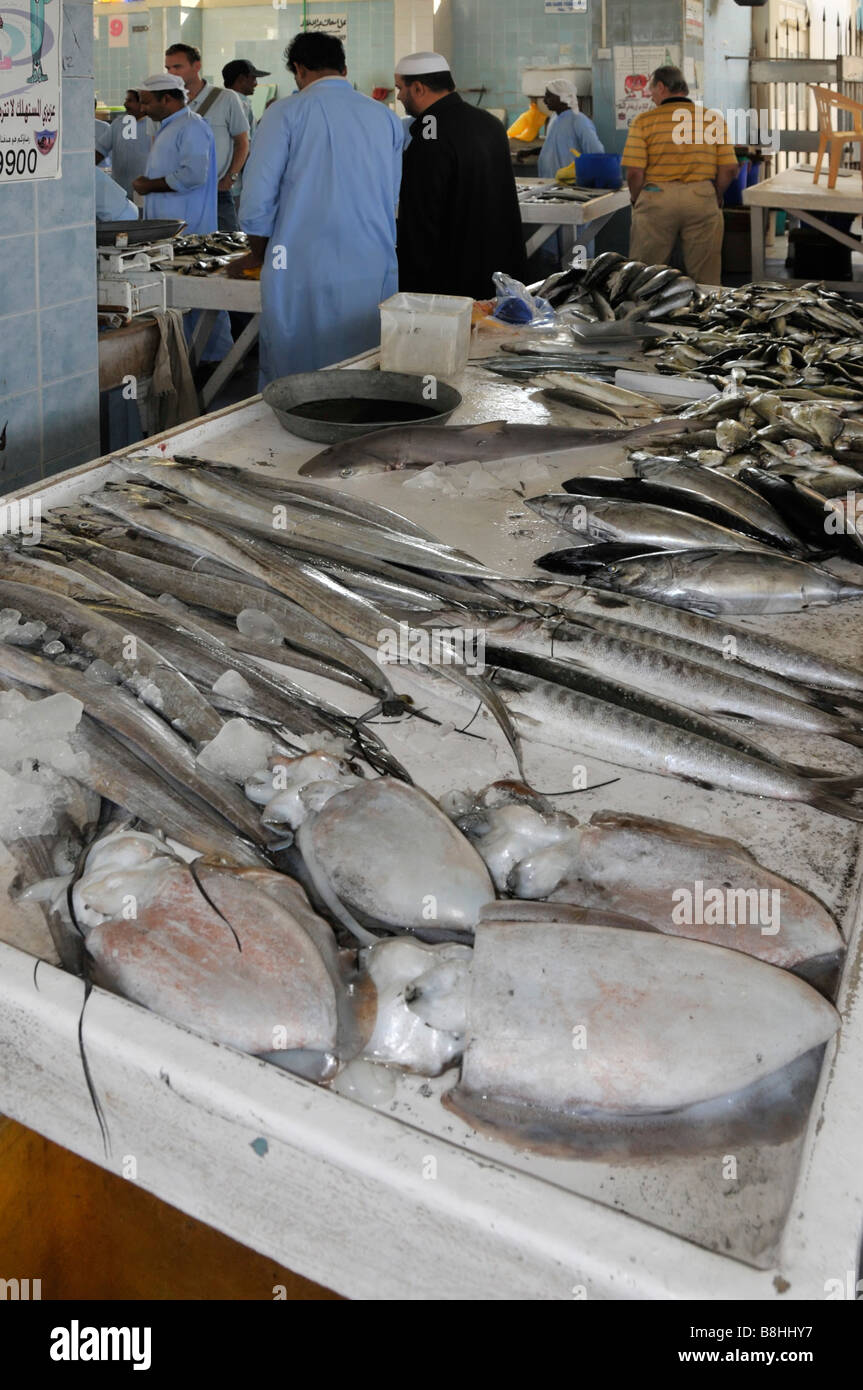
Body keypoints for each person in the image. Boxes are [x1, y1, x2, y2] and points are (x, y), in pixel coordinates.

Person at [231, 31, 404, 386]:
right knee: (364, 365)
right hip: (371, 259)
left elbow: (257, 198)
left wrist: (256, 255)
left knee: (300, 373)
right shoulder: (384, 117)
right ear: (344, 67)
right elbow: (393, 193)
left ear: (299, 68)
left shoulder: (284, 114)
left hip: (303, 264)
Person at [395, 52, 526, 299]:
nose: (399, 96)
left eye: (400, 88)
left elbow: (421, 220)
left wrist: (411, 285)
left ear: (419, 88)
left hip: (451, 284)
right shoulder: (490, 124)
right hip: (499, 276)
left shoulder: (429, 134)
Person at [134, 74, 232, 364]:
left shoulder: (191, 127)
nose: (142, 108)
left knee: (202, 301)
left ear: (168, 99)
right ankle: (194, 360)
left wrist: (148, 186)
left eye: (147, 101)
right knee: (184, 301)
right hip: (170, 233)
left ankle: (218, 361)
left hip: (190, 230)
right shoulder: (169, 127)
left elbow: (192, 175)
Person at [622, 65, 738, 286]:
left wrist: (638, 199)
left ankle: (642, 317)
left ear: (662, 87)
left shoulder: (644, 121)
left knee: (644, 274)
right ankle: (707, 316)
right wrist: (716, 193)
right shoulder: (712, 120)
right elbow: (730, 168)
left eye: (652, 90)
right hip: (701, 197)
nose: (651, 96)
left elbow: (635, 172)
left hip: (656, 197)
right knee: (706, 277)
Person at [165, 43, 250, 232]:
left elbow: (242, 142)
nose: (171, 72)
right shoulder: (164, 102)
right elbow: (157, 147)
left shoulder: (226, 98)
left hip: (216, 192)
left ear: (197, 66)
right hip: (178, 193)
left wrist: (231, 177)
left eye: (177, 67)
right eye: (168, 68)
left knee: (226, 249)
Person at [537, 80, 604, 180]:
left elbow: (596, 153)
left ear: (563, 98)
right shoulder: (554, 118)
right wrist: (531, 152)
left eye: (549, 96)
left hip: (570, 184)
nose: (545, 100)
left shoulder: (578, 120)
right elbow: (555, 147)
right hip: (549, 182)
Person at [95, 90, 155, 198]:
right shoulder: (118, 124)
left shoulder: (155, 125)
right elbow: (100, 150)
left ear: (142, 104)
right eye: (126, 100)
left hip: (145, 193)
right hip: (119, 191)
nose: (125, 104)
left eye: (130, 101)